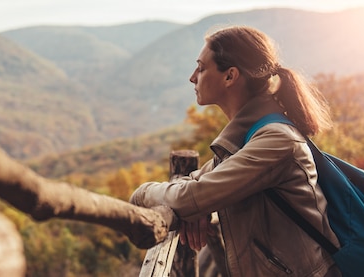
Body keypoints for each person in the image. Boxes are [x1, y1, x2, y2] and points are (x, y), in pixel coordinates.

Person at [129, 25, 342, 276]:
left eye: (201, 67)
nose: (192, 77)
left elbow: (190, 195)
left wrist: (144, 192)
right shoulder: (248, 139)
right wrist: (198, 207)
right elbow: (197, 188)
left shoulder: (275, 141)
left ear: (230, 76)